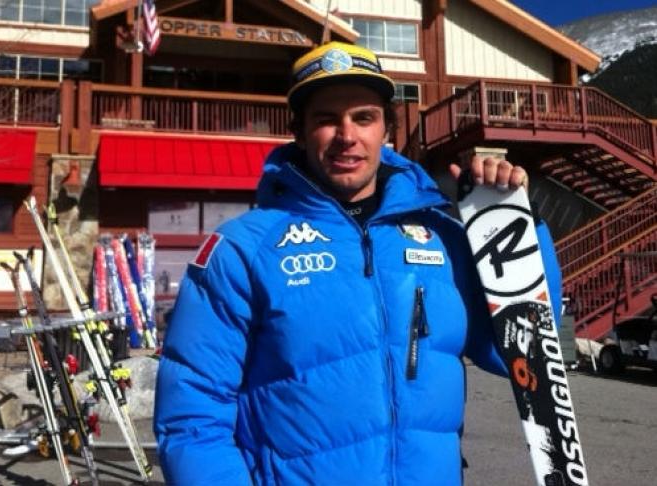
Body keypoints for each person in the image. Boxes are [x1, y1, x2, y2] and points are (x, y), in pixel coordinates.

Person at [153, 41, 562, 484]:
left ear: (386, 130)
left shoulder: (444, 238)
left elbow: (518, 355)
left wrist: (516, 224)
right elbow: (192, 419)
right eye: (326, 119)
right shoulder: (242, 249)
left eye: (364, 118)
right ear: (299, 133)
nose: (347, 136)